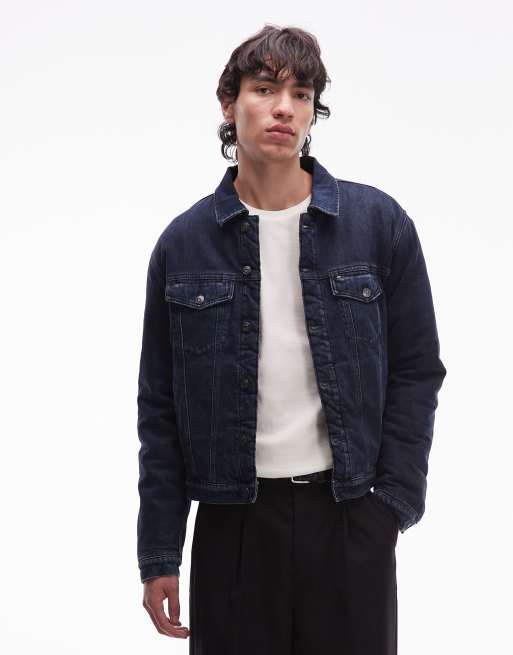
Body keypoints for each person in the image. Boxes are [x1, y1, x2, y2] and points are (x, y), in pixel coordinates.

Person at [136, 24, 447, 655]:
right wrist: (160, 552)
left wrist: (392, 503)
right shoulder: (184, 244)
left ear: (312, 112)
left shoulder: (377, 224)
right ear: (229, 105)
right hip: (232, 525)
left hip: (349, 516)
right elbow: (160, 407)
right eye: (264, 89)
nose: (284, 108)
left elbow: (418, 370)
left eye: (301, 94)